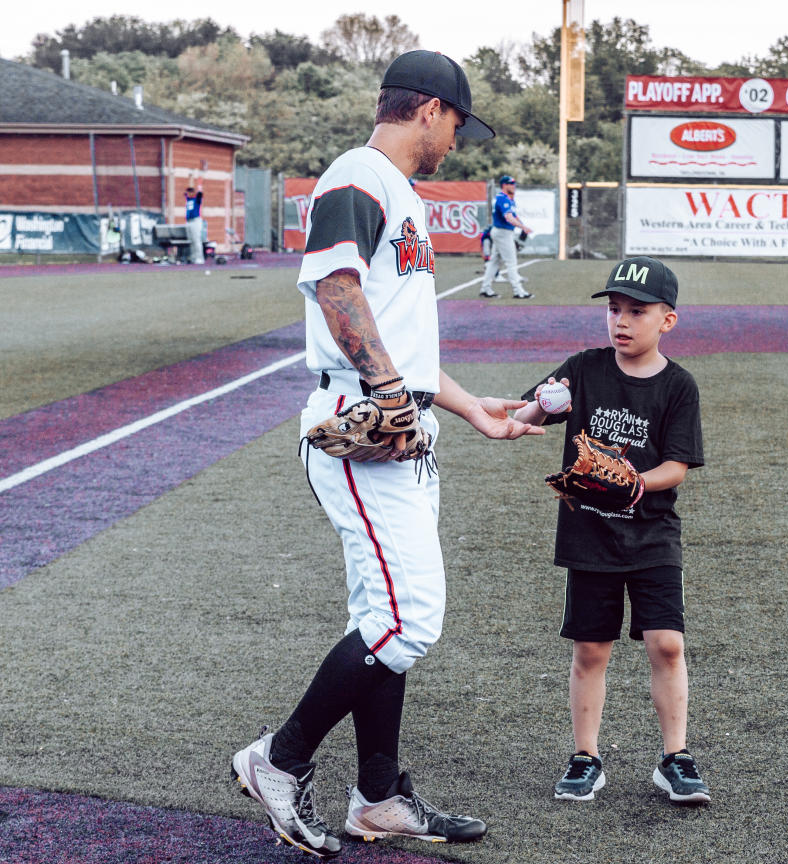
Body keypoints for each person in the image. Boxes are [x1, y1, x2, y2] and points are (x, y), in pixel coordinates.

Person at [230, 49, 544, 858]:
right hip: (361, 423)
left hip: (393, 419)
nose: (456, 143)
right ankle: (279, 758)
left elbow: (398, 337)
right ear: (430, 109)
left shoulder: (395, 190)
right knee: (409, 621)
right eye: (457, 125)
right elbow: (336, 289)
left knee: (383, 619)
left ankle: (377, 796)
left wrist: (473, 408)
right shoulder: (358, 176)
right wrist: (389, 392)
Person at [512, 256, 711, 805]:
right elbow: (531, 413)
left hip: (651, 536)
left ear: (667, 320)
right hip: (589, 536)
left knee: (667, 645)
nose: (621, 321)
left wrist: (632, 484)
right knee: (591, 650)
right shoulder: (584, 368)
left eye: (637, 312)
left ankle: (675, 757)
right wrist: (520, 414)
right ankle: (586, 757)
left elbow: (678, 466)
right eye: (614, 309)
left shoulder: (678, 386)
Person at [479, 174, 533, 299]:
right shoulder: (502, 198)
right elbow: (508, 218)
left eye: (514, 184)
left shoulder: (507, 198)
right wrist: (522, 227)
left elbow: (514, 216)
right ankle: (518, 291)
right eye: (511, 184)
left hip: (502, 232)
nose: (514, 186)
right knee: (511, 262)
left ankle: (485, 288)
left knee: (494, 262)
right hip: (502, 232)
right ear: (504, 185)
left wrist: (522, 225)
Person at [184, 173, 205, 264]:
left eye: (191, 191)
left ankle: (199, 258)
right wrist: (190, 179)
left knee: (196, 240)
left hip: (196, 221)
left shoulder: (196, 199)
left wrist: (199, 184)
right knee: (191, 241)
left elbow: (200, 193)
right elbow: (188, 190)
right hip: (189, 221)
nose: (189, 193)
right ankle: (193, 257)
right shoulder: (188, 199)